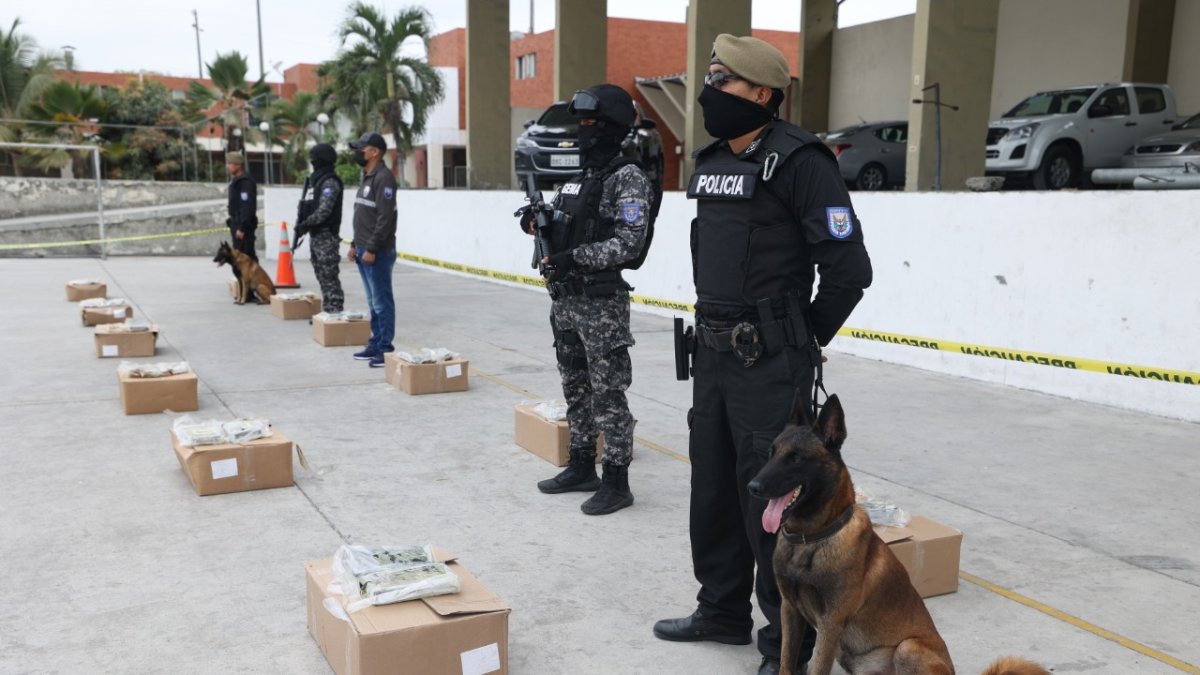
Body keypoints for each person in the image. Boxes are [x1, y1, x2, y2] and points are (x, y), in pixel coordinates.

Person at [652, 35, 873, 675]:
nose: (710, 90)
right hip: (713, 357)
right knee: (714, 485)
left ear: (763, 95)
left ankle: (787, 640)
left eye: (725, 81)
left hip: (769, 362)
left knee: (770, 501)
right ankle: (719, 608)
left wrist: (799, 341)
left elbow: (848, 269)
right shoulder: (714, 160)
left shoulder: (803, 162)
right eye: (712, 77)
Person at [518, 83, 653, 516]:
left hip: (602, 305)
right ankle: (581, 464)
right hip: (566, 302)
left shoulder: (627, 178)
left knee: (608, 393)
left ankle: (617, 479)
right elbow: (561, 223)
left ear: (613, 128)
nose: (584, 132)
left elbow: (629, 245)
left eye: (593, 124)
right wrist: (538, 224)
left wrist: (575, 257)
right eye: (582, 124)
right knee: (574, 388)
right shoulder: (580, 179)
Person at [345, 132, 398, 368]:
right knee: (372, 300)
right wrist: (355, 245)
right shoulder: (368, 177)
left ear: (374, 152)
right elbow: (363, 216)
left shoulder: (383, 178)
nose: (359, 153)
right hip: (364, 249)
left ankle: (385, 347)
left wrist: (373, 248)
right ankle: (375, 342)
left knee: (381, 300)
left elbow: (385, 219)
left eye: (362, 149)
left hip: (377, 252)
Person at [295, 143, 345, 314]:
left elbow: (324, 211)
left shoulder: (330, 182)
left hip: (326, 236)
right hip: (317, 235)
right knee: (321, 275)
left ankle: (334, 310)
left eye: (315, 160)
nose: (313, 163)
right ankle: (328, 309)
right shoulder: (317, 182)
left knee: (329, 276)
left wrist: (306, 224)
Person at [225, 151, 258, 261]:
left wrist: (242, 228)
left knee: (246, 255)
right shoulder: (237, 181)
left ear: (238, 165)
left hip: (243, 225)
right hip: (236, 222)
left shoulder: (245, 182)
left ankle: (254, 278)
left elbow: (247, 206)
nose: (228, 166)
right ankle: (243, 278)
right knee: (240, 255)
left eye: (230, 163)